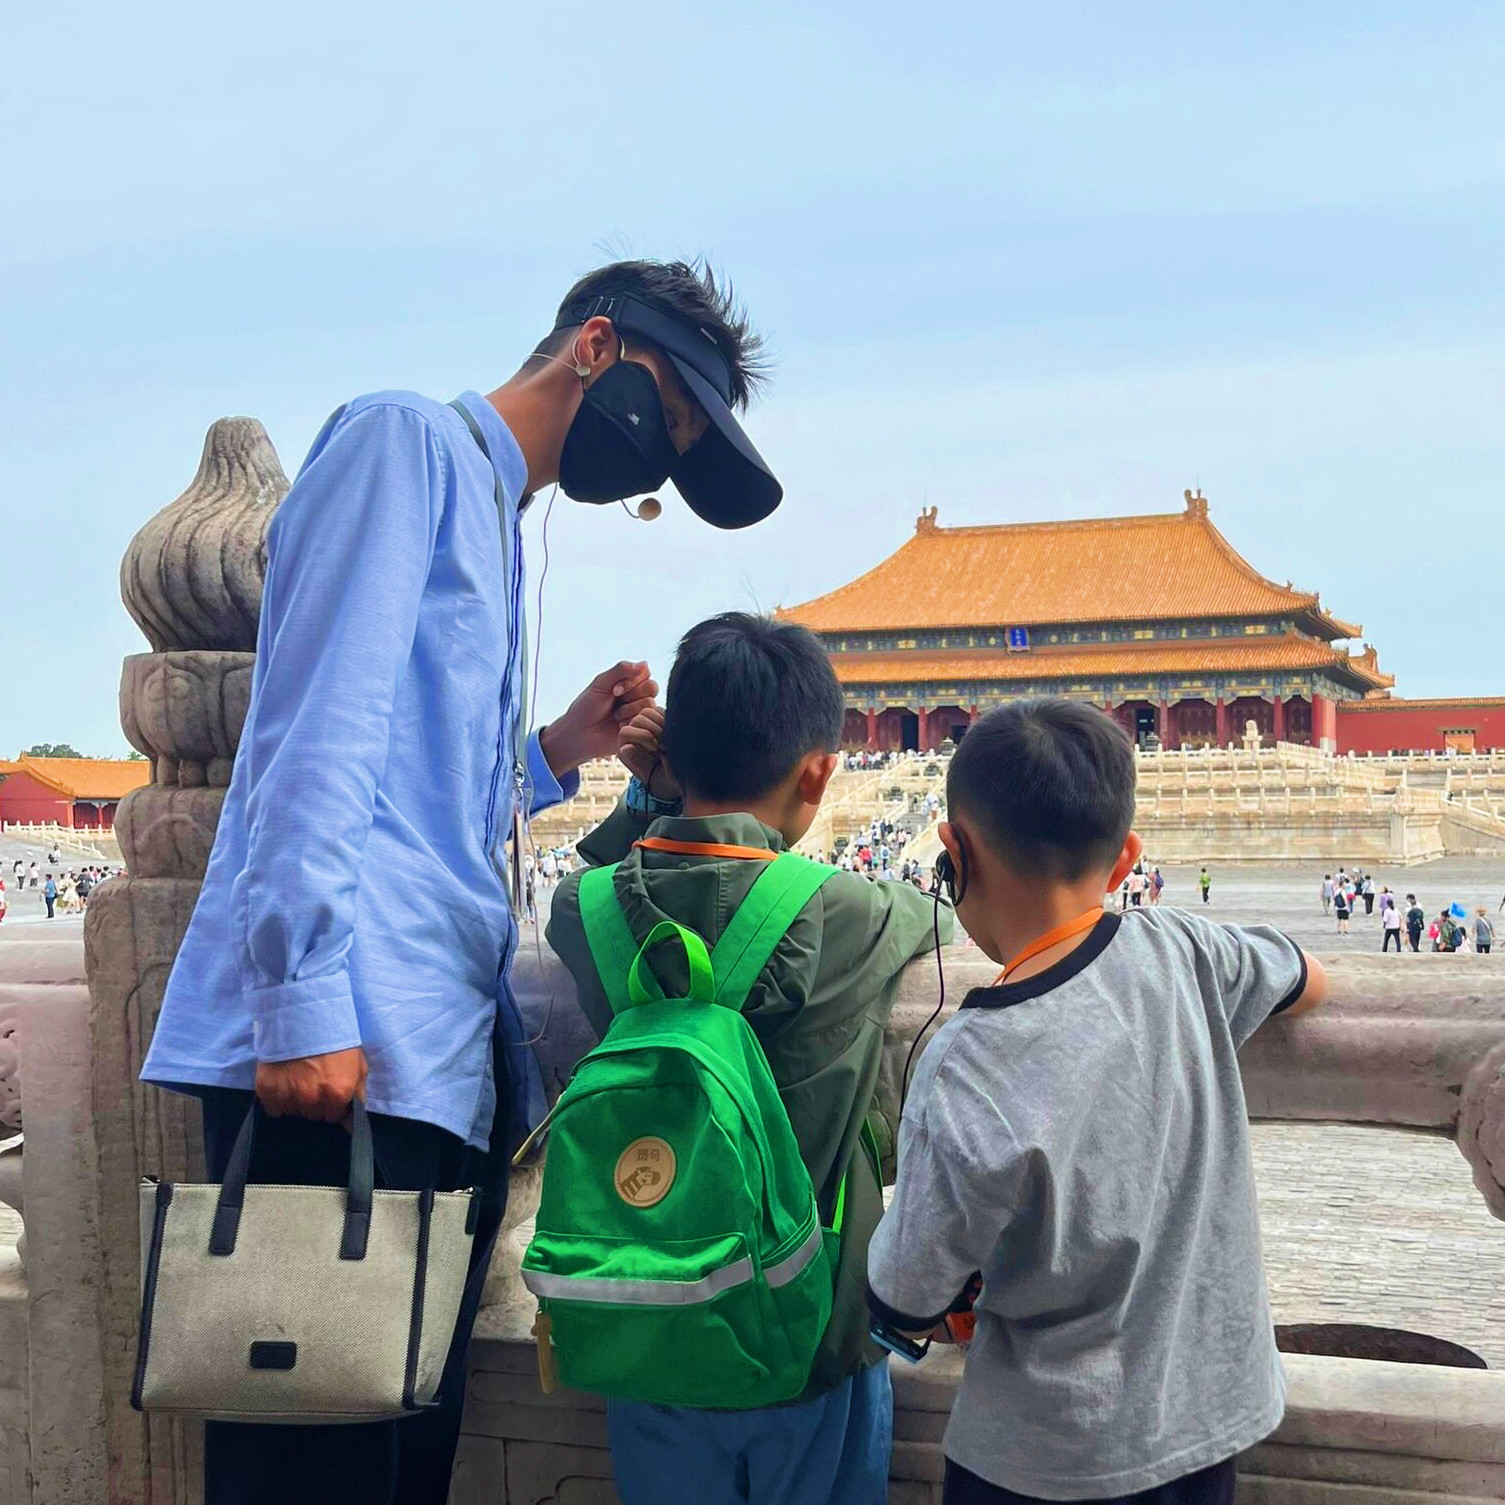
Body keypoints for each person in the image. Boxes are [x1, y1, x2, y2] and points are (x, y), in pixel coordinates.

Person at [138, 258, 784, 1505]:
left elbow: (417, 785)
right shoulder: (406, 446)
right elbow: (316, 733)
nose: (657, 463)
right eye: (673, 418)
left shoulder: (491, 514)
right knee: (310, 1465)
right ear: (595, 346)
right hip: (344, 1057)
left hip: (432, 1056)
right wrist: (300, 1001)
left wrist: (558, 751)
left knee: (394, 1458)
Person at [866, 698, 1326, 1505]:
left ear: (952, 853)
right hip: (1206, 1422)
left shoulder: (966, 1063)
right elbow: (1304, 977)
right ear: (1125, 862)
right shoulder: (1184, 947)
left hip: (1045, 1455)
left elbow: (903, 1292)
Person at [547, 614, 949, 1505]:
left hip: (644, 1322)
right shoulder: (853, 913)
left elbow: (608, 879)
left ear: (671, 751)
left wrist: (650, 800)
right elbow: (957, 925)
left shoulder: (583, 911)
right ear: (817, 773)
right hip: (807, 1344)